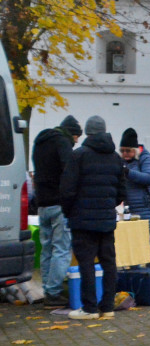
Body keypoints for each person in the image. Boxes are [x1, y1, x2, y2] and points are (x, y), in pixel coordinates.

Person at [59, 116, 126, 320]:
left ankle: (89, 308)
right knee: (109, 263)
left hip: (82, 219)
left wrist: (69, 211)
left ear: (87, 133)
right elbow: (122, 192)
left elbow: (67, 189)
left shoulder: (78, 155)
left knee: (86, 263)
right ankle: (107, 307)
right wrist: (107, 205)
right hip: (106, 219)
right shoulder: (115, 158)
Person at [31, 115, 81, 308]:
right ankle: (54, 294)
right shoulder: (63, 142)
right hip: (59, 204)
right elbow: (70, 172)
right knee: (61, 249)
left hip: (42, 204)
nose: (75, 144)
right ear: (72, 133)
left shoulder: (40, 142)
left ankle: (47, 290)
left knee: (47, 249)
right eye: (76, 139)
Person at [119, 128, 150, 267]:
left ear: (135, 150)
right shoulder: (121, 161)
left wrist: (128, 173)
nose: (125, 154)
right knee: (131, 247)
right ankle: (135, 276)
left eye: (128, 151)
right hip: (128, 210)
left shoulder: (144, 158)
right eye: (122, 151)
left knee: (148, 246)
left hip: (144, 209)